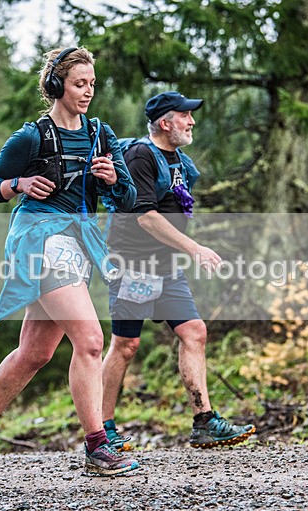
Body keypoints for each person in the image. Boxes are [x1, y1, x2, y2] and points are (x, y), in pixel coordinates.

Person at [0, 46, 140, 477]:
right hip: (38, 238)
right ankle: (98, 446)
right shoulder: (31, 137)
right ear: (57, 86)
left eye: (92, 83)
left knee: (35, 352)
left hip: (78, 242)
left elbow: (129, 198)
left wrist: (113, 180)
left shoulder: (100, 135)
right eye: (80, 83)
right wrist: (18, 182)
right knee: (92, 341)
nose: (88, 91)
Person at [100, 91, 255, 450]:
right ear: (165, 122)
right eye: (185, 115)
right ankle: (103, 428)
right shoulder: (140, 155)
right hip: (132, 267)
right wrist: (195, 248)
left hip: (166, 268)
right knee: (126, 345)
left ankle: (204, 421)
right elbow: (145, 216)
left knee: (194, 332)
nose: (192, 121)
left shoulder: (180, 162)